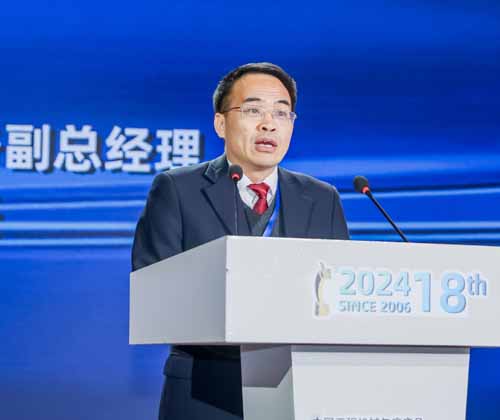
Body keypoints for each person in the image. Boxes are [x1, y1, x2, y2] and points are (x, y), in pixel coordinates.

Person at [131, 62, 350, 420]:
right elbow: (153, 290)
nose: (269, 124)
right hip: (203, 388)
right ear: (221, 123)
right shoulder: (177, 189)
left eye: (281, 112)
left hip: (299, 389)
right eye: (253, 110)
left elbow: (339, 292)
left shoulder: (321, 198)